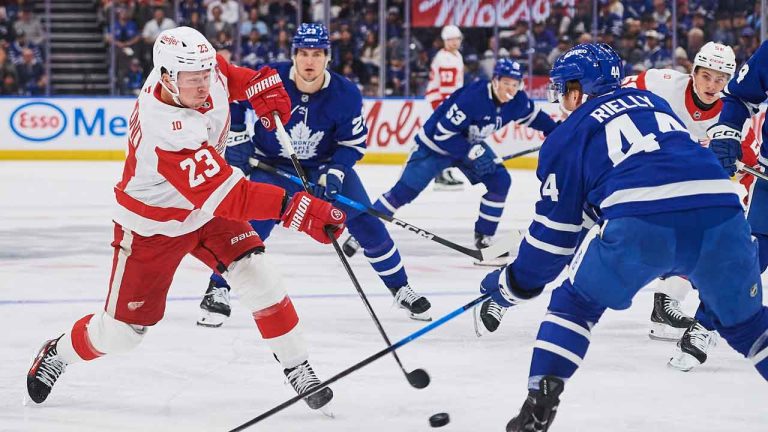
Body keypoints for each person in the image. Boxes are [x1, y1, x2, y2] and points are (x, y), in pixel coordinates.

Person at [25, 27, 345, 413]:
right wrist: (298, 209)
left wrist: (259, 87)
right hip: (154, 225)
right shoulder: (166, 126)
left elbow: (232, 76)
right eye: (193, 79)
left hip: (206, 209)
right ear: (165, 77)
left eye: (206, 74)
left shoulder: (200, 68)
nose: (203, 85)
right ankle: (58, 352)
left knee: (260, 276)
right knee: (123, 334)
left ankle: (297, 365)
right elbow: (231, 197)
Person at [478, 43, 768, 432]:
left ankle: (539, 403)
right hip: (724, 213)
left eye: (564, 89)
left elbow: (550, 247)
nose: (561, 98)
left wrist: (508, 286)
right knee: (751, 329)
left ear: (578, 91)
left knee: (574, 305)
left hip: (642, 224)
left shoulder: (566, 137)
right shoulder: (656, 104)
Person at [196, 23, 432, 328]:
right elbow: (235, 97)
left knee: (366, 222)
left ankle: (401, 288)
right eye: (304, 53)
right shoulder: (272, 77)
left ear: (328, 57)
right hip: (273, 166)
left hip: (323, 167)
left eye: (317, 54)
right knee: (251, 226)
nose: (310, 61)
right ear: (294, 55)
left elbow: (352, 144)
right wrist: (238, 136)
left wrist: (335, 171)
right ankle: (217, 289)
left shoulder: (345, 93)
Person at [345, 58, 557, 333]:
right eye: (506, 84)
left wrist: (557, 132)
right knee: (402, 193)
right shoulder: (473, 97)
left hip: (467, 146)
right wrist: (471, 152)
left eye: (515, 85)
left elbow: (536, 118)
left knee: (499, 181)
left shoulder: (516, 100)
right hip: (434, 147)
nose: (511, 90)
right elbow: (442, 134)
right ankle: (361, 233)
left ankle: (484, 238)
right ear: (495, 80)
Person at [621, 42, 754, 370]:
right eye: (706, 76)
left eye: (721, 79)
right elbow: (618, 92)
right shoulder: (663, 83)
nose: (712, 85)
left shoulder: (734, 113)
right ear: (692, 72)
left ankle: (666, 302)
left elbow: (748, 163)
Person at [426, 24, 467, 191]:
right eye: (450, 39)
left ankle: (445, 171)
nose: (454, 42)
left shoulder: (455, 55)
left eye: (457, 39)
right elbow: (446, 88)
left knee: (449, 138)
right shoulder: (445, 58)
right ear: (444, 41)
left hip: (447, 101)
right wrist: (449, 108)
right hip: (441, 102)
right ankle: (440, 174)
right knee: (446, 138)